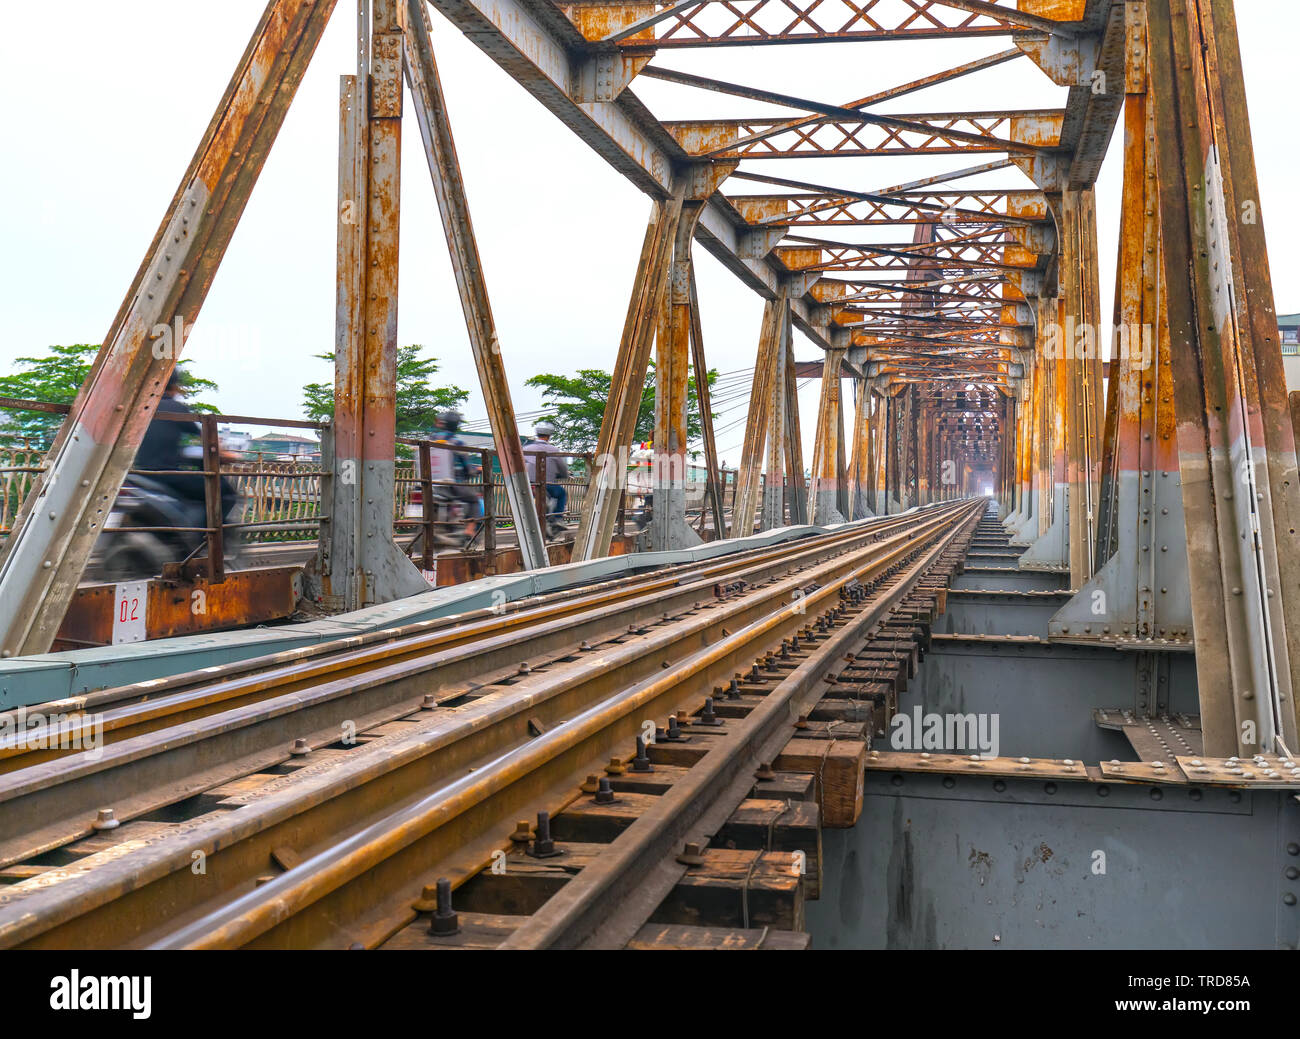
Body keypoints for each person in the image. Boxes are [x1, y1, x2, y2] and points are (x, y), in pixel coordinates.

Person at [136, 369, 237, 520]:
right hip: (167, 475)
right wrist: (225, 454)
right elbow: (207, 439)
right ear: (174, 386)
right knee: (224, 491)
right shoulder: (176, 408)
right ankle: (208, 537)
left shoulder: (141, 407)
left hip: (140, 473)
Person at [430, 409, 483, 544]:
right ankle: (469, 531)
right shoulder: (457, 443)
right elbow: (468, 468)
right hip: (451, 485)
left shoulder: (430, 439)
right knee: (474, 500)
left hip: (429, 483)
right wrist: (476, 470)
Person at [524, 421, 569, 534]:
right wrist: (564, 475)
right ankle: (558, 518)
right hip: (547, 484)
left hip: (528, 484)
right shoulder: (553, 450)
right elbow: (562, 468)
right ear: (549, 435)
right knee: (562, 494)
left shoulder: (526, 449)